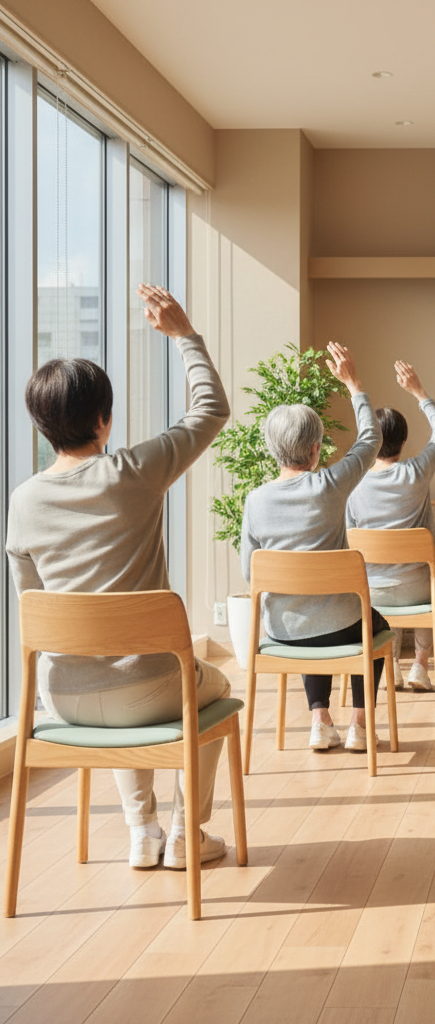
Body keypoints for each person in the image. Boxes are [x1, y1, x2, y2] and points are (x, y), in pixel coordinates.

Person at [6, 285, 233, 871]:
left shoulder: (23, 500)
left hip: (64, 697)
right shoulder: (133, 471)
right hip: (151, 686)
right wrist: (185, 336)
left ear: (40, 427)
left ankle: (142, 831)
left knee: (104, 671)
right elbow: (210, 411)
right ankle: (186, 833)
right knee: (216, 688)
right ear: (104, 421)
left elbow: (33, 606)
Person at [240, 343, 388, 753]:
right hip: (341, 624)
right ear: (314, 450)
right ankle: (360, 726)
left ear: (273, 448)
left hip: (283, 633)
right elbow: (371, 440)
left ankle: (320, 721)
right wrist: (353, 383)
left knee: (308, 615)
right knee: (371, 623)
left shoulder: (254, 501)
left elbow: (250, 575)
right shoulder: (330, 484)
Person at [346, 361, 435, 692]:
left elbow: (348, 538)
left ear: (370, 442)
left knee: (380, 603)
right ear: (404, 442)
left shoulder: (351, 481)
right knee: (432, 581)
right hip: (416, 589)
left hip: (370, 592)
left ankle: (389, 663)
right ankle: (419, 665)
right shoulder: (416, 472)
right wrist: (418, 391)